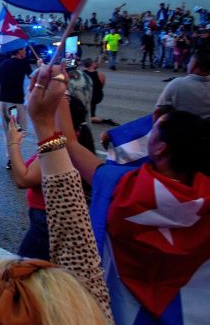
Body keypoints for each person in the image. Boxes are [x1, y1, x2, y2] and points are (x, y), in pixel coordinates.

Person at [0, 64, 113, 324]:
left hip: (43, 225)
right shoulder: (90, 310)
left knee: (24, 277)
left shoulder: (63, 152)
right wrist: (49, 119)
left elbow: (24, 178)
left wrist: (15, 140)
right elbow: (80, 251)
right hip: (52, 223)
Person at [48, 68, 210, 323]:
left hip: (127, 310)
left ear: (160, 147)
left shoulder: (125, 187)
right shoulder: (205, 196)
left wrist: (59, 92)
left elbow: (68, 142)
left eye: (153, 129)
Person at [4, 124, 48, 260]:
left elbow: (23, 180)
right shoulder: (64, 140)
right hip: (45, 218)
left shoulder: (58, 144)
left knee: (19, 272)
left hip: (44, 220)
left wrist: (13, 142)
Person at [0, 47, 34, 169]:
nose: (25, 51)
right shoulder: (23, 64)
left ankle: (10, 158)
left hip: (3, 103)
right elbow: (33, 78)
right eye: (23, 50)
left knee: (8, 131)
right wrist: (40, 66)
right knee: (19, 130)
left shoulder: (3, 64)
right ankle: (13, 159)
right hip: (14, 106)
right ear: (18, 51)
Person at [154, 49, 210, 120]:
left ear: (194, 65)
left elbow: (158, 111)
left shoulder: (177, 83)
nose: (187, 64)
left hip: (182, 127)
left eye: (189, 62)